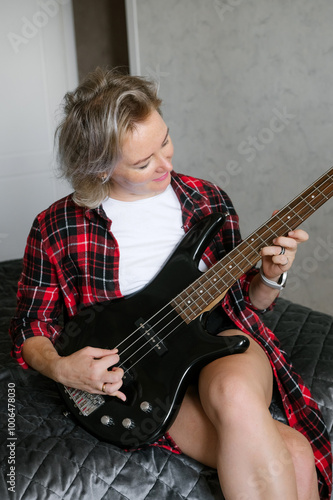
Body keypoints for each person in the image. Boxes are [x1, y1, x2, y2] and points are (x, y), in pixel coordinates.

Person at [10, 68, 332, 500]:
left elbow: (249, 304)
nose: (167, 164)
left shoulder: (207, 200)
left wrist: (272, 276)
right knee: (294, 453)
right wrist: (63, 367)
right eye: (144, 162)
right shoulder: (56, 226)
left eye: (165, 141)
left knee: (235, 394)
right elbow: (31, 326)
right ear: (100, 169)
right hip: (145, 372)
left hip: (220, 338)